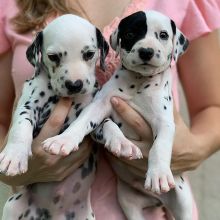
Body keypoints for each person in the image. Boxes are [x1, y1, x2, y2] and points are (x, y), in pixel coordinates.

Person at [0, 0, 220, 219]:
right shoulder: (11, 5)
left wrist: (192, 150)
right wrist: (13, 158)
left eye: (89, 55)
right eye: (54, 57)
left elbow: (213, 106)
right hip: (35, 208)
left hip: (155, 204)